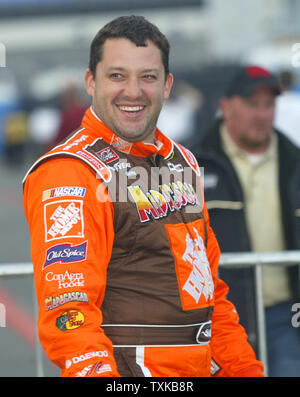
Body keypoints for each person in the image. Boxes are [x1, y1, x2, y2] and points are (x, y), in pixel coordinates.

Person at [23, 16, 264, 378]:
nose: (133, 91)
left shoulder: (182, 162)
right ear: (91, 82)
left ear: (167, 85)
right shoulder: (71, 170)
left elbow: (212, 298)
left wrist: (245, 370)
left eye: (147, 77)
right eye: (117, 75)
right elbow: (68, 312)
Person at [195, 65, 300, 377]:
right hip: (222, 315)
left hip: (286, 314)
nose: (261, 114)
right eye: (251, 104)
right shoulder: (192, 166)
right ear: (226, 107)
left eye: (268, 105)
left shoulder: (294, 162)